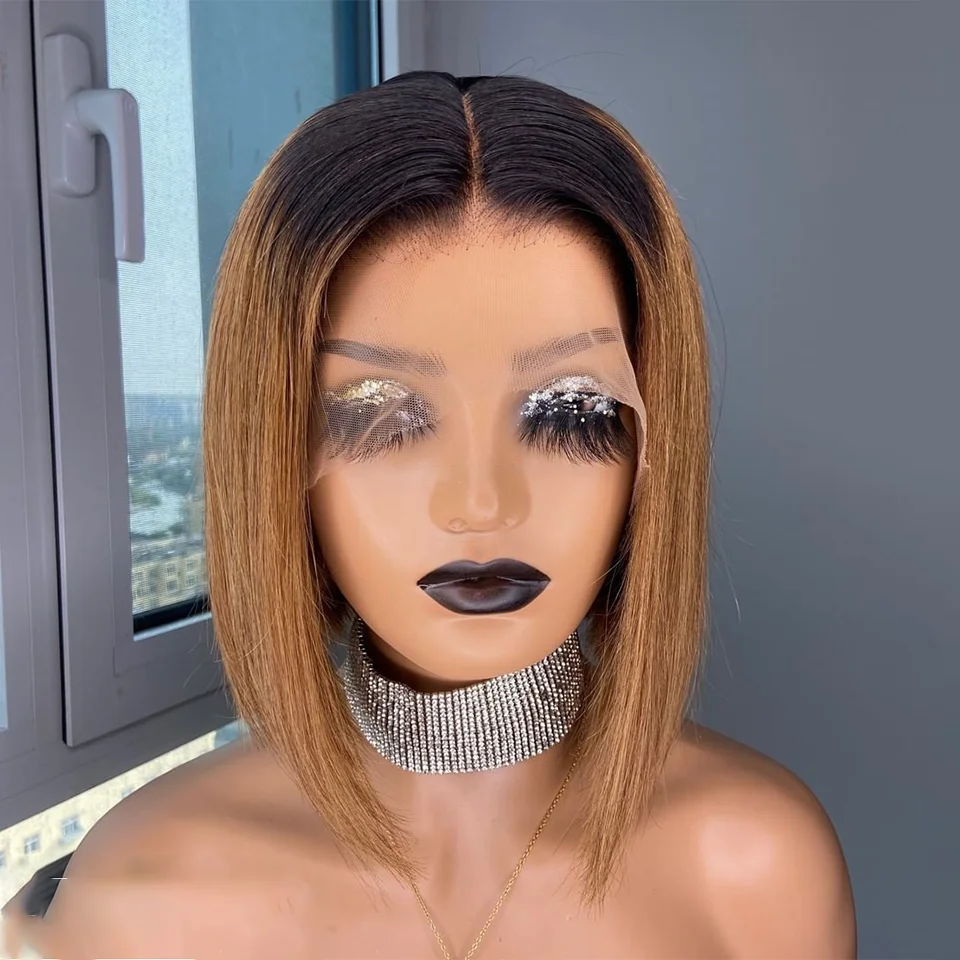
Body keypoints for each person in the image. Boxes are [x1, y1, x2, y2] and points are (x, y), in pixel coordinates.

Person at [1, 71, 856, 959]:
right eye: (381, 415)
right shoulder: (143, 898)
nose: (481, 503)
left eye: (569, 412)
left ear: (650, 451)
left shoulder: (759, 869)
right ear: (276, 456)